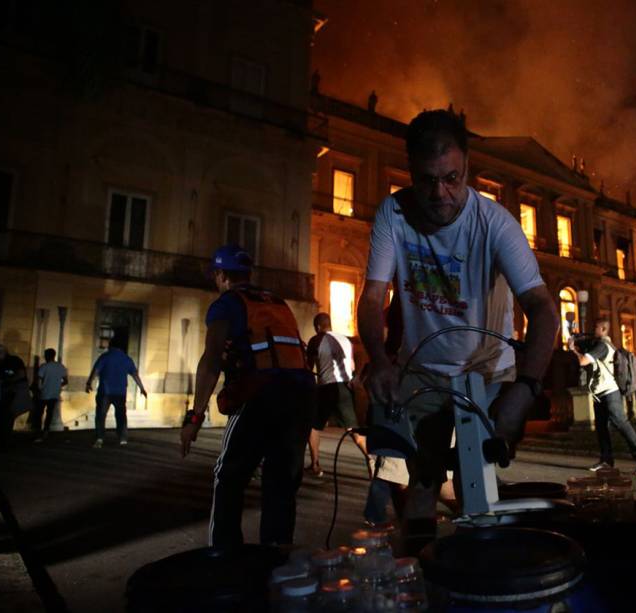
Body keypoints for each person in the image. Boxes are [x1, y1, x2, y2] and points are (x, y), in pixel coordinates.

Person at [357, 109, 559, 550]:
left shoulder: (497, 224)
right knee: (422, 479)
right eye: (427, 180)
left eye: (452, 178)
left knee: (476, 481)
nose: (441, 194)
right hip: (424, 366)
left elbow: (543, 309)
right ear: (410, 170)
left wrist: (525, 387)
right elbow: (373, 299)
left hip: (486, 369)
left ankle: (479, 572)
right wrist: (380, 360)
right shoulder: (393, 212)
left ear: (467, 166)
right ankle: (418, 576)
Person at [179, 245, 314, 548]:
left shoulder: (227, 304)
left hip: (261, 394)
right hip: (300, 397)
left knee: (228, 477)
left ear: (222, 275)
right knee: (280, 484)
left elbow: (211, 360)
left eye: (216, 275)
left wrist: (195, 417)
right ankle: (275, 560)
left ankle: (224, 558)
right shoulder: (277, 303)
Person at [568, 319, 636, 476]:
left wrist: (573, 349)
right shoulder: (600, 345)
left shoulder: (602, 345)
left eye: (595, 327)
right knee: (601, 427)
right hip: (600, 393)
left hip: (609, 392)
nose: (593, 330)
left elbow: (583, 361)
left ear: (603, 328)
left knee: (621, 423)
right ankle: (606, 460)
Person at [305, 312, 368, 477]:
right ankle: (371, 460)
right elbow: (352, 366)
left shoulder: (316, 340)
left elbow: (308, 367)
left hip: (326, 387)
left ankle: (315, 464)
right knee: (353, 428)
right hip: (345, 387)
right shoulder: (346, 340)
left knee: (313, 426)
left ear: (318, 327)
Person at [85, 334, 147, 448]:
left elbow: (96, 370)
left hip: (105, 391)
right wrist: (142, 388)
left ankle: (100, 438)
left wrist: (89, 383)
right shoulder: (126, 359)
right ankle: (122, 438)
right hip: (120, 392)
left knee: (101, 415)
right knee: (121, 415)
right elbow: (135, 374)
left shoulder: (105, 357)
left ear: (111, 345)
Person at [0, 344, 29, 447]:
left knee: (6, 415)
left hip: (14, 392)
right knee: (1, 415)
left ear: (0, 352)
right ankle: (4, 438)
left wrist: (4, 381)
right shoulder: (0, 362)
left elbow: (21, 375)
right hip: (6, 392)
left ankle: (5, 439)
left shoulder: (14, 360)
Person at [33, 348, 68, 442]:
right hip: (55, 394)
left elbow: (39, 380)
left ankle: (38, 432)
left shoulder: (44, 367)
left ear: (47, 356)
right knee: (49, 413)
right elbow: (65, 381)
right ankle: (46, 431)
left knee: (39, 413)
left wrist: (39, 389)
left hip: (44, 393)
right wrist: (57, 385)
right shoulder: (61, 367)